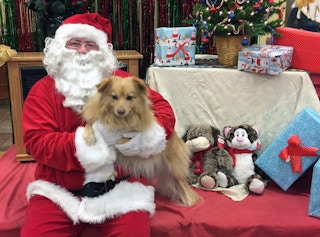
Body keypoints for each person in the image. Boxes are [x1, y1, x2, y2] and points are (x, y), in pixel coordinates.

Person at [21, 13, 176, 237]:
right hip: (58, 191)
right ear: (59, 48)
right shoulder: (42, 91)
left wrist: (142, 136)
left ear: (102, 52)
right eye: (75, 43)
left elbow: (164, 112)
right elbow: (38, 142)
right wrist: (96, 139)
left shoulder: (123, 82)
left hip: (120, 189)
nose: (82, 50)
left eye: (90, 44)